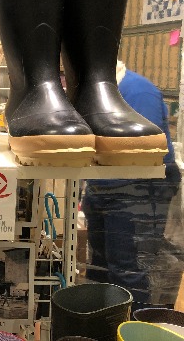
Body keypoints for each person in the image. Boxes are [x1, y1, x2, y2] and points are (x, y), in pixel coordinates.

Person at [82, 60, 182, 310]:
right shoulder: (93, 91)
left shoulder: (138, 91)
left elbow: (147, 151)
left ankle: (131, 324)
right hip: (102, 186)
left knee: (129, 270)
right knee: (99, 268)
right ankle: (102, 322)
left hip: (139, 190)